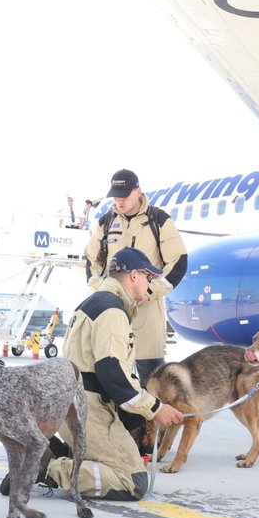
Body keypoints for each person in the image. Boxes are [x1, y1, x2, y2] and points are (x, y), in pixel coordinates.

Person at [44, 247, 184, 499]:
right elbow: (112, 373)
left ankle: (55, 452)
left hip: (71, 407)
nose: (150, 284)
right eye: (148, 277)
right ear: (133, 276)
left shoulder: (95, 302)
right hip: (88, 411)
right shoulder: (112, 310)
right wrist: (155, 409)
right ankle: (48, 469)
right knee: (132, 481)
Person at [83, 169, 187, 447]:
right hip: (112, 311)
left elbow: (178, 263)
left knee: (149, 380)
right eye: (115, 196)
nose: (119, 201)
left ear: (138, 191)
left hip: (146, 315)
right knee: (110, 373)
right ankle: (118, 439)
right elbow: (91, 262)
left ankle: (148, 442)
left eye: (124, 195)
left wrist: (150, 291)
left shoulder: (159, 220)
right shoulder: (106, 221)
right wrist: (103, 292)